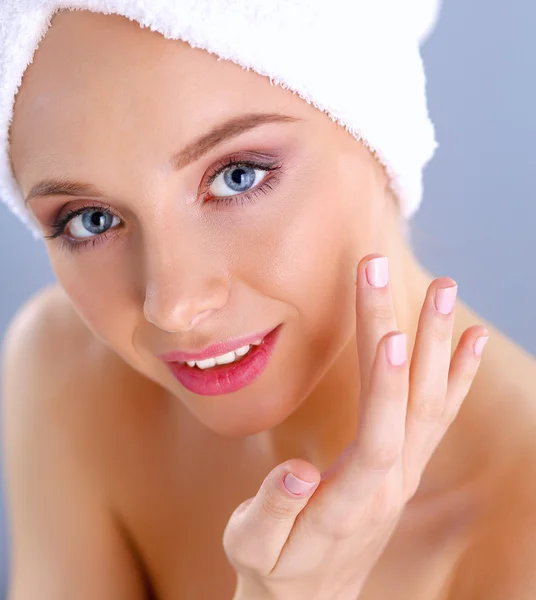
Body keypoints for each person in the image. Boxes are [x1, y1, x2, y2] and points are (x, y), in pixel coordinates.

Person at [1, 3, 536, 599]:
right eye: (90, 220)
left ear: (378, 129)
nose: (174, 306)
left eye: (238, 176)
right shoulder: (69, 380)